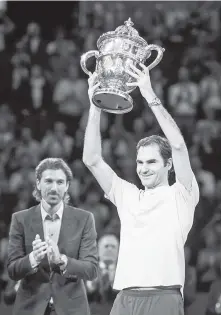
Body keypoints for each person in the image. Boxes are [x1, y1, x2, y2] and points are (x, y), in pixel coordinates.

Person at [82, 63, 200, 315]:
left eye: (152, 162)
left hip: (164, 297)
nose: (143, 168)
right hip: (125, 299)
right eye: (140, 162)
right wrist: (95, 104)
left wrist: (148, 94)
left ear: (168, 164)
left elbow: (178, 146)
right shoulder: (128, 195)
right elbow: (91, 159)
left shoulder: (182, 193)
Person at [7, 157, 98, 315]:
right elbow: (13, 270)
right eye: (48, 181)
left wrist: (61, 261)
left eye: (60, 182)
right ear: (38, 184)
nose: (54, 188)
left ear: (67, 185)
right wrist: (33, 259)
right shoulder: (20, 219)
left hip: (71, 309)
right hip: (30, 308)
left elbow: (91, 269)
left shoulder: (84, 219)